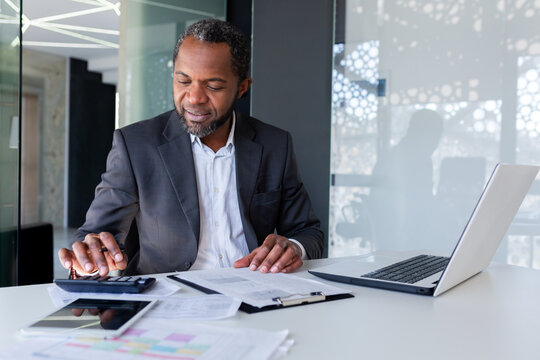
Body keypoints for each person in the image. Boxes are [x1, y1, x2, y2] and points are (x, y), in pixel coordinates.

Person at [58, 19, 324, 277]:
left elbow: (308, 233)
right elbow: (94, 234)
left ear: (242, 87)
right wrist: (90, 258)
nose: (194, 98)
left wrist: (294, 247)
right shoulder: (136, 145)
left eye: (213, 85)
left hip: (253, 294)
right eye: (183, 81)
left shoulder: (275, 144)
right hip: (167, 301)